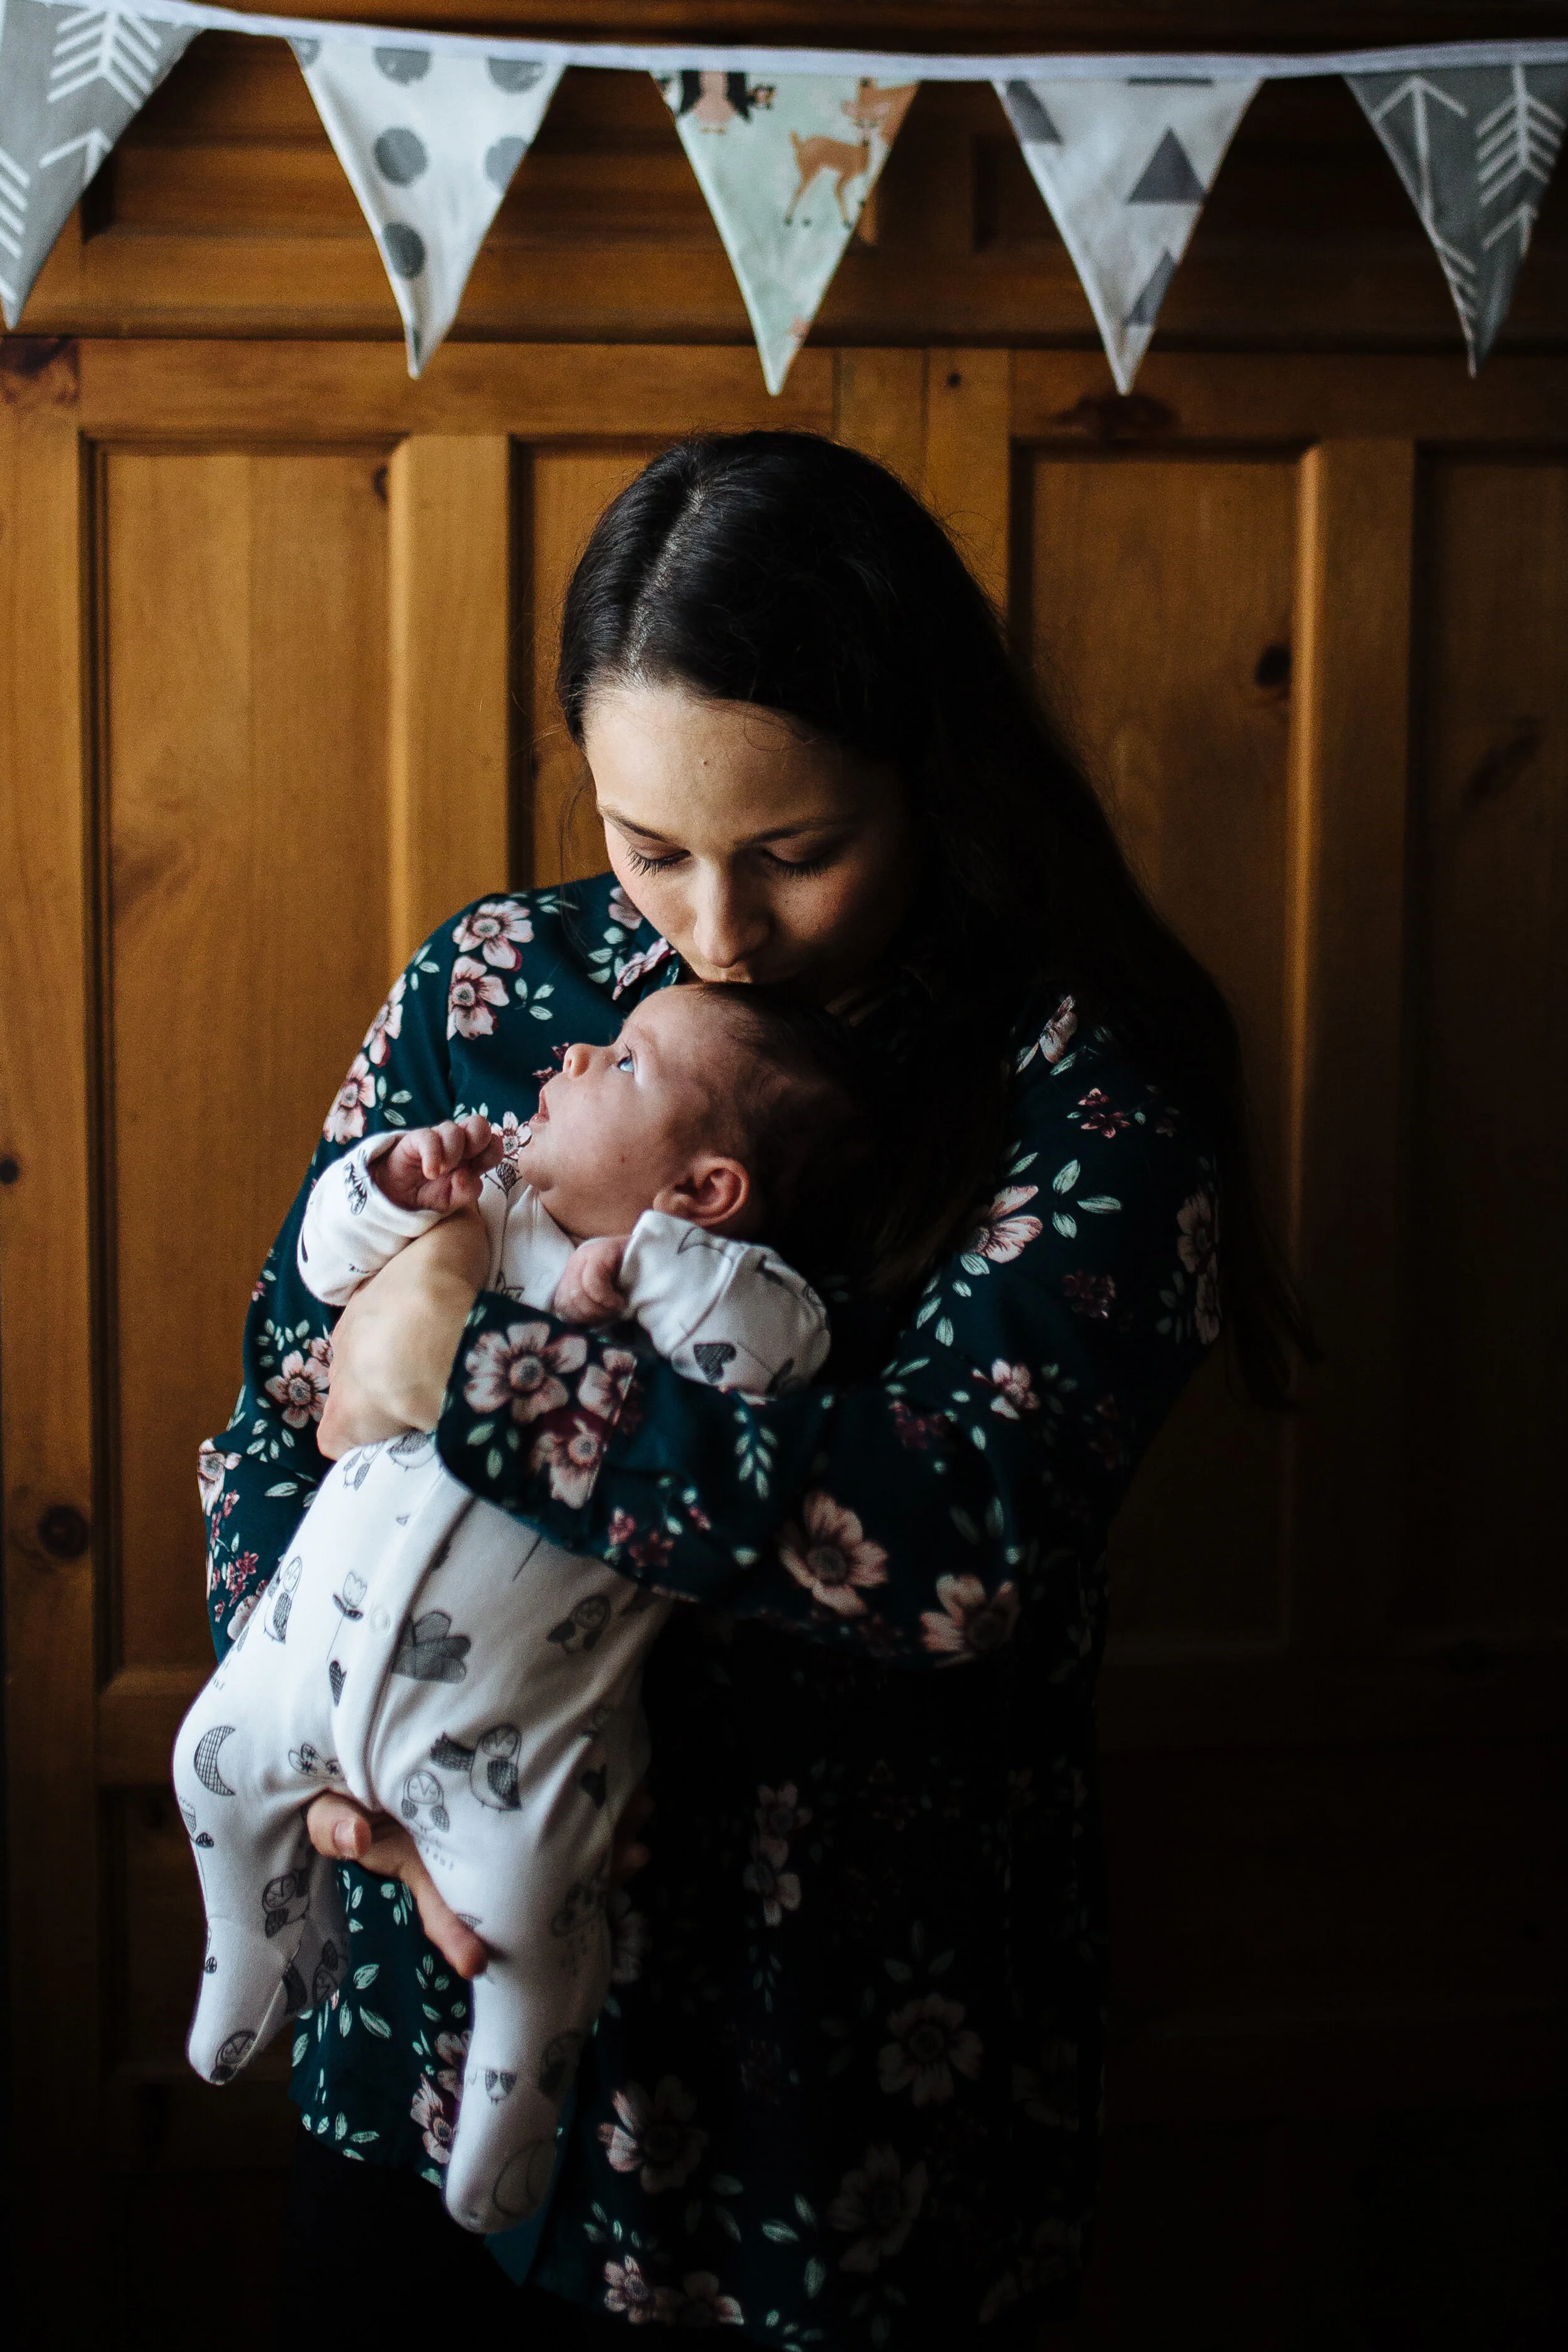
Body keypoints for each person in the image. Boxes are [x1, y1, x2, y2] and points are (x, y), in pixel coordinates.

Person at [200, 432, 1305, 2347]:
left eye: (793, 850)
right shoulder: (496, 981)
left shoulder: (1083, 1086)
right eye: (651, 847)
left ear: (924, 775)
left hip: (828, 2080)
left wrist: (464, 1365)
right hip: (418, 2011)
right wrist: (351, 1779)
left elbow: (936, 1549)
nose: (712, 927)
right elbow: (274, 1423)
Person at [177, 983, 854, 2233]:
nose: (579, 1048)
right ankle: (257, 1944)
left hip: (508, 1745)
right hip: (304, 1665)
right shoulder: (485, 1204)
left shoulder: (724, 1297)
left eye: (628, 1063)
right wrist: (387, 1183)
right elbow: (317, 1278)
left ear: (703, 1191)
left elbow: (772, 1360)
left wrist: (647, 1264)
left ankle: (514, 2096)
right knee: (206, 1771)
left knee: (536, 1921)